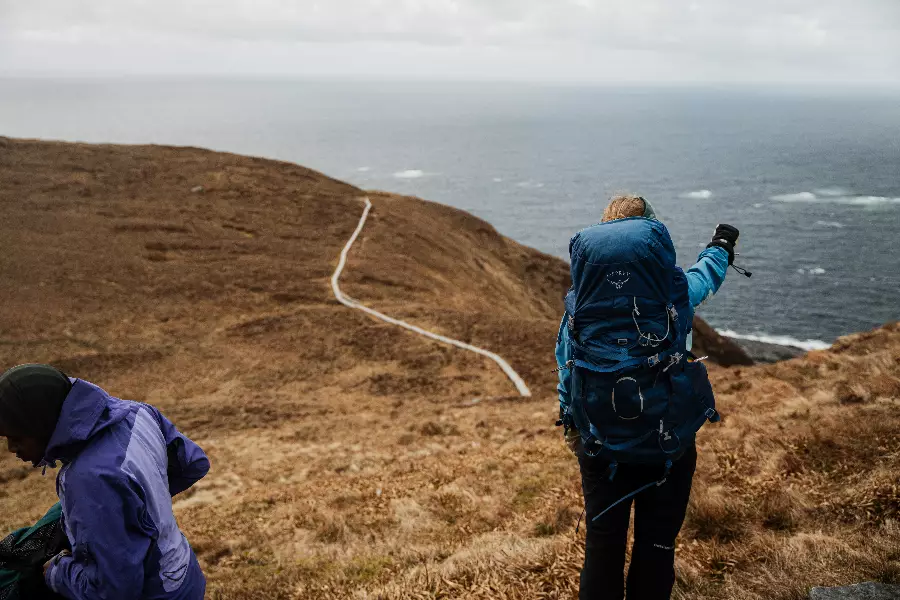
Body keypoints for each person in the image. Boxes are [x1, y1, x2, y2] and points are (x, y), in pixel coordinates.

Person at [555, 195, 741, 600]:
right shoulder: (675, 294)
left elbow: (567, 369)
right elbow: (706, 275)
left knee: (602, 548)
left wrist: (571, 425)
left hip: (600, 444)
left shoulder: (581, 307)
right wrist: (721, 245)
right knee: (657, 546)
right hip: (667, 441)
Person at [0, 364, 210, 600]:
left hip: (157, 592)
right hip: (183, 572)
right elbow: (193, 463)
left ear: (40, 424)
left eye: (17, 438)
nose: (11, 448)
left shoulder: (89, 479)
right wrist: (144, 505)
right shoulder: (134, 413)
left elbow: (112, 591)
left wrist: (56, 572)